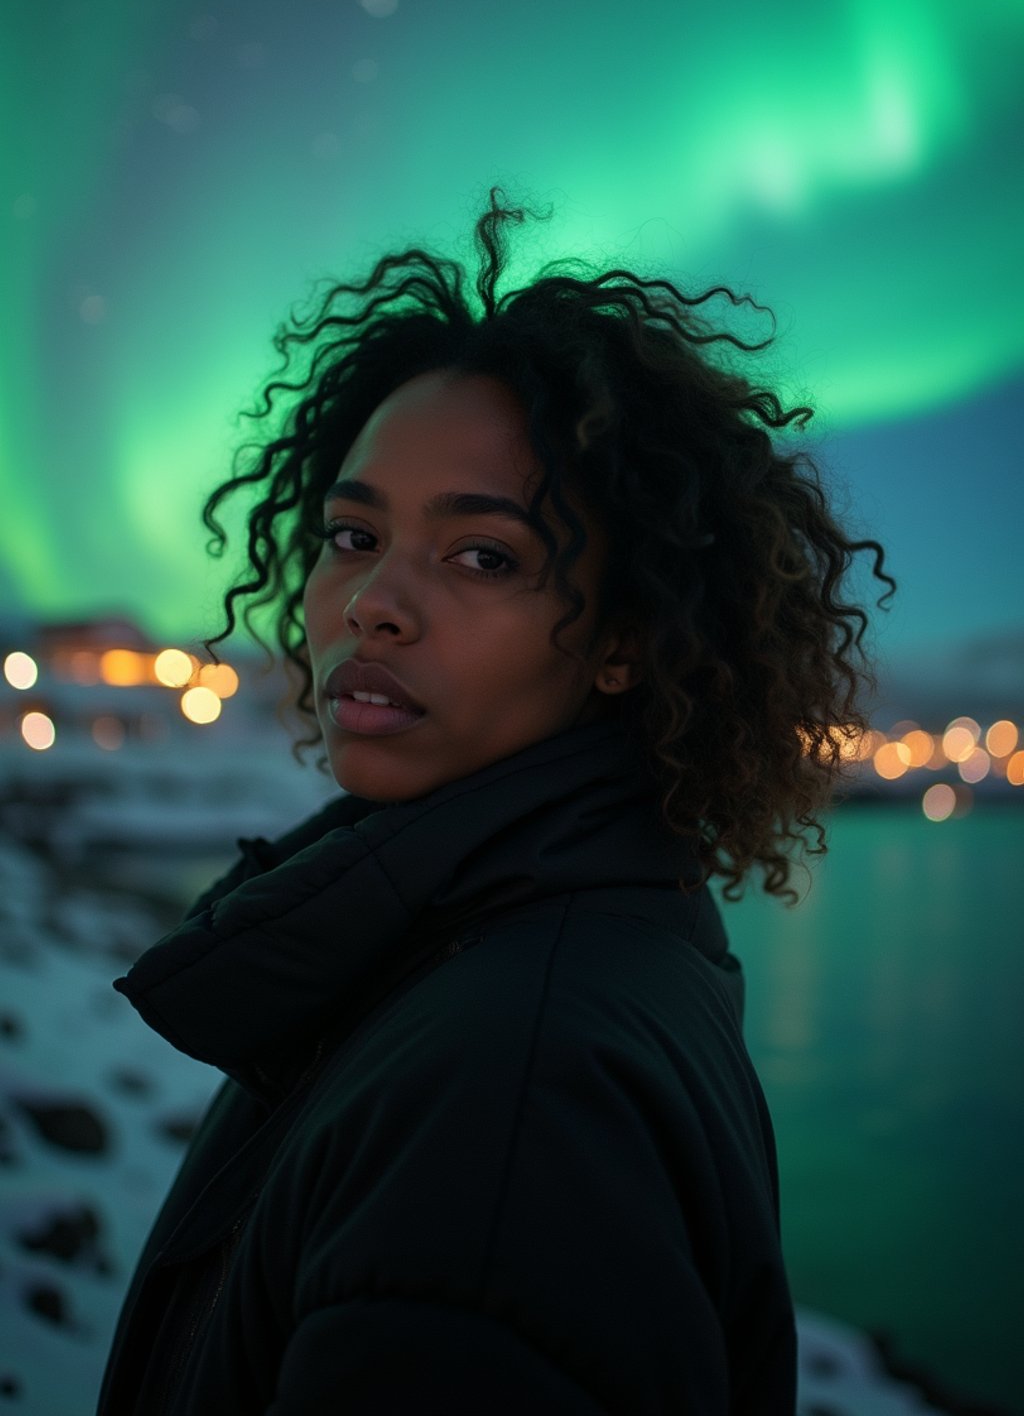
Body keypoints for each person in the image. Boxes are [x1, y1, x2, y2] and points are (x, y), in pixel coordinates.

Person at [98, 188, 893, 1415]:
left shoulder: (516, 1099)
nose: (371, 604)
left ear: (626, 636)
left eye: (484, 556)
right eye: (352, 536)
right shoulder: (484, 940)